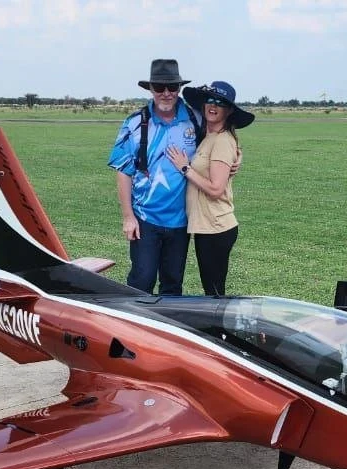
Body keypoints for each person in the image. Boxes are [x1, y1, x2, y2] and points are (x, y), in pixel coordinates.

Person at [107, 59, 202, 296]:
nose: (166, 93)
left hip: (181, 220)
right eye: (159, 87)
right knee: (142, 281)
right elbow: (123, 170)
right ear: (150, 89)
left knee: (173, 284)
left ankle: (166, 322)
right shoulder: (134, 123)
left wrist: (236, 155)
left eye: (172, 87)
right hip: (145, 218)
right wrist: (128, 217)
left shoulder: (195, 119)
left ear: (179, 88)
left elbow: (221, 138)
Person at [165, 81, 254, 297]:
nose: (213, 106)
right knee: (212, 289)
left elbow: (215, 189)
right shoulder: (208, 136)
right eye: (210, 100)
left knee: (214, 292)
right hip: (206, 226)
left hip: (216, 228)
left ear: (229, 110)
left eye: (220, 103)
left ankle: (221, 320)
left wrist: (185, 168)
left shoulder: (222, 141)